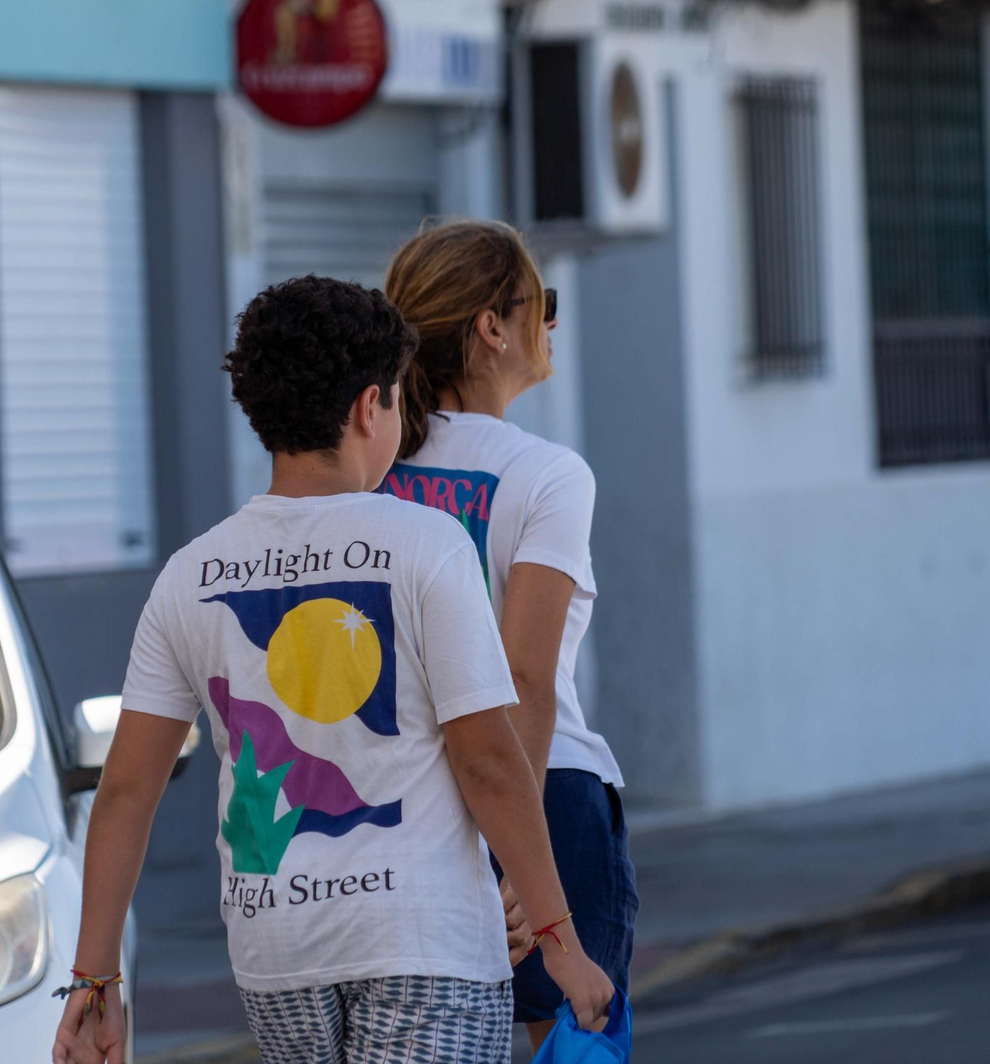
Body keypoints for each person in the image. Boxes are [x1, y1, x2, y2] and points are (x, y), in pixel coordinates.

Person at [51, 275, 613, 1064]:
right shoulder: (427, 546)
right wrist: (558, 936)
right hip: (425, 945)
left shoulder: (192, 572)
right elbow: (488, 759)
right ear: (367, 407)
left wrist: (94, 979)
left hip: (276, 953)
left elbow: (125, 792)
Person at [379, 220, 637, 1054]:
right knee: (562, 1044)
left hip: (403, 811)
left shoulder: (365, 470)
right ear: (493, 326)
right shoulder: (546, 474)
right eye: (541, 303)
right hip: (540, 798)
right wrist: (513, 864)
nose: (550, 322)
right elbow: (522, 676)